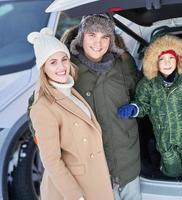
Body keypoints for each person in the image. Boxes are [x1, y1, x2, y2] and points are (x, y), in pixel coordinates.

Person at [28, 28, 114, 200]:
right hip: (74, 190)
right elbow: (51, 161)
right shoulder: (42, 107)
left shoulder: (70, 91)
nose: (61, 67)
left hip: (94, 181)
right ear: (43, 68)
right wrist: (75, 196)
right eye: (53, 62)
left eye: (64, 59)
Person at [118, 35, 182, 177]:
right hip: (164, 141)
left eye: (171, 58)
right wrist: (134, 109)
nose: (167, 63)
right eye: (162, 59)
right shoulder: (148, 84)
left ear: (178, 59)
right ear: (155, 62)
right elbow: (143, 105)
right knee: (172, 173)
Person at [62, 14, 141, 200]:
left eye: (105, 37)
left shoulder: (123, 63)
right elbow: (40, 104)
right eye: (92, 35)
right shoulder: (67, 67)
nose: (99, 43)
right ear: (81, 36)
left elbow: (143, 93)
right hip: (92, 167)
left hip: (128, 161)